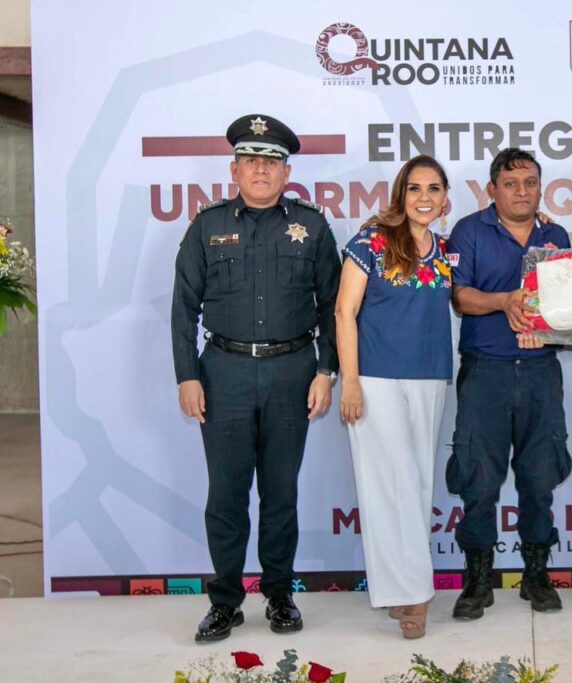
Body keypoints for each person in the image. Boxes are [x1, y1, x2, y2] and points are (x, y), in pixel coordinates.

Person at [172, 114, 341, 642]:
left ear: (286, 172)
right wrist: (187, 376)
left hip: (293, 371)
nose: (261, 170)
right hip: (222, 373)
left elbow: (332, 306)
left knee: (280, 492)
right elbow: (183, 307)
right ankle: (225, 600)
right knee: (225, 493)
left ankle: (279, 594)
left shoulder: (312, 227)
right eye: (251, 161)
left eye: (271, 161)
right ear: (235, 168)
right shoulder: (207, 225)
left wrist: (326, 370)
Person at [444, 148, 572, 620]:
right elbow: (460, 298)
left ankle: (535, 575)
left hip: (541, 373)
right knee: (478, 480)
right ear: (492, 187)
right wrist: (505, 301)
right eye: (512, 183)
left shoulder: (556, 236)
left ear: (541, 186)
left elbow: (569, 304)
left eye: (531, 182)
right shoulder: (469, 230)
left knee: (540, 478)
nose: (523, 191)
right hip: (486, 371)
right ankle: (477, 580)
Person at [335, 155, 453, 639]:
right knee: (391, 484)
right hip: (377, 379)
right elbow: (345, 312)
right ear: (400, 194)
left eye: (434, 188)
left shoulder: (445, 249)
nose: (424, 197)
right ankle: (415, 598)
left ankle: (395, 587)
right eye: (414, 188)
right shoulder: (370, 242)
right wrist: (352, 381)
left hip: (430, 378)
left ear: (446, 197)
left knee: (417, 485)